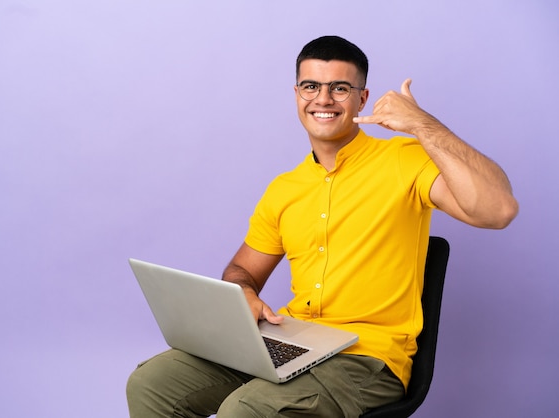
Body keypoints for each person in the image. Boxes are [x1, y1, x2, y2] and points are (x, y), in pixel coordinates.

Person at [126, 35, 518, 417]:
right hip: (290, 340)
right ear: (297, 94)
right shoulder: (284, 189)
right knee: (152, 383)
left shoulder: (405, 160)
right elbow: (243, 269)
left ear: (363, 98)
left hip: (366, 358)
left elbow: (498, 210)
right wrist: (243, 290)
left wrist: (422, 124)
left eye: (340, 88)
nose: (323, 100)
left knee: (246, 410)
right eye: (311, 86)